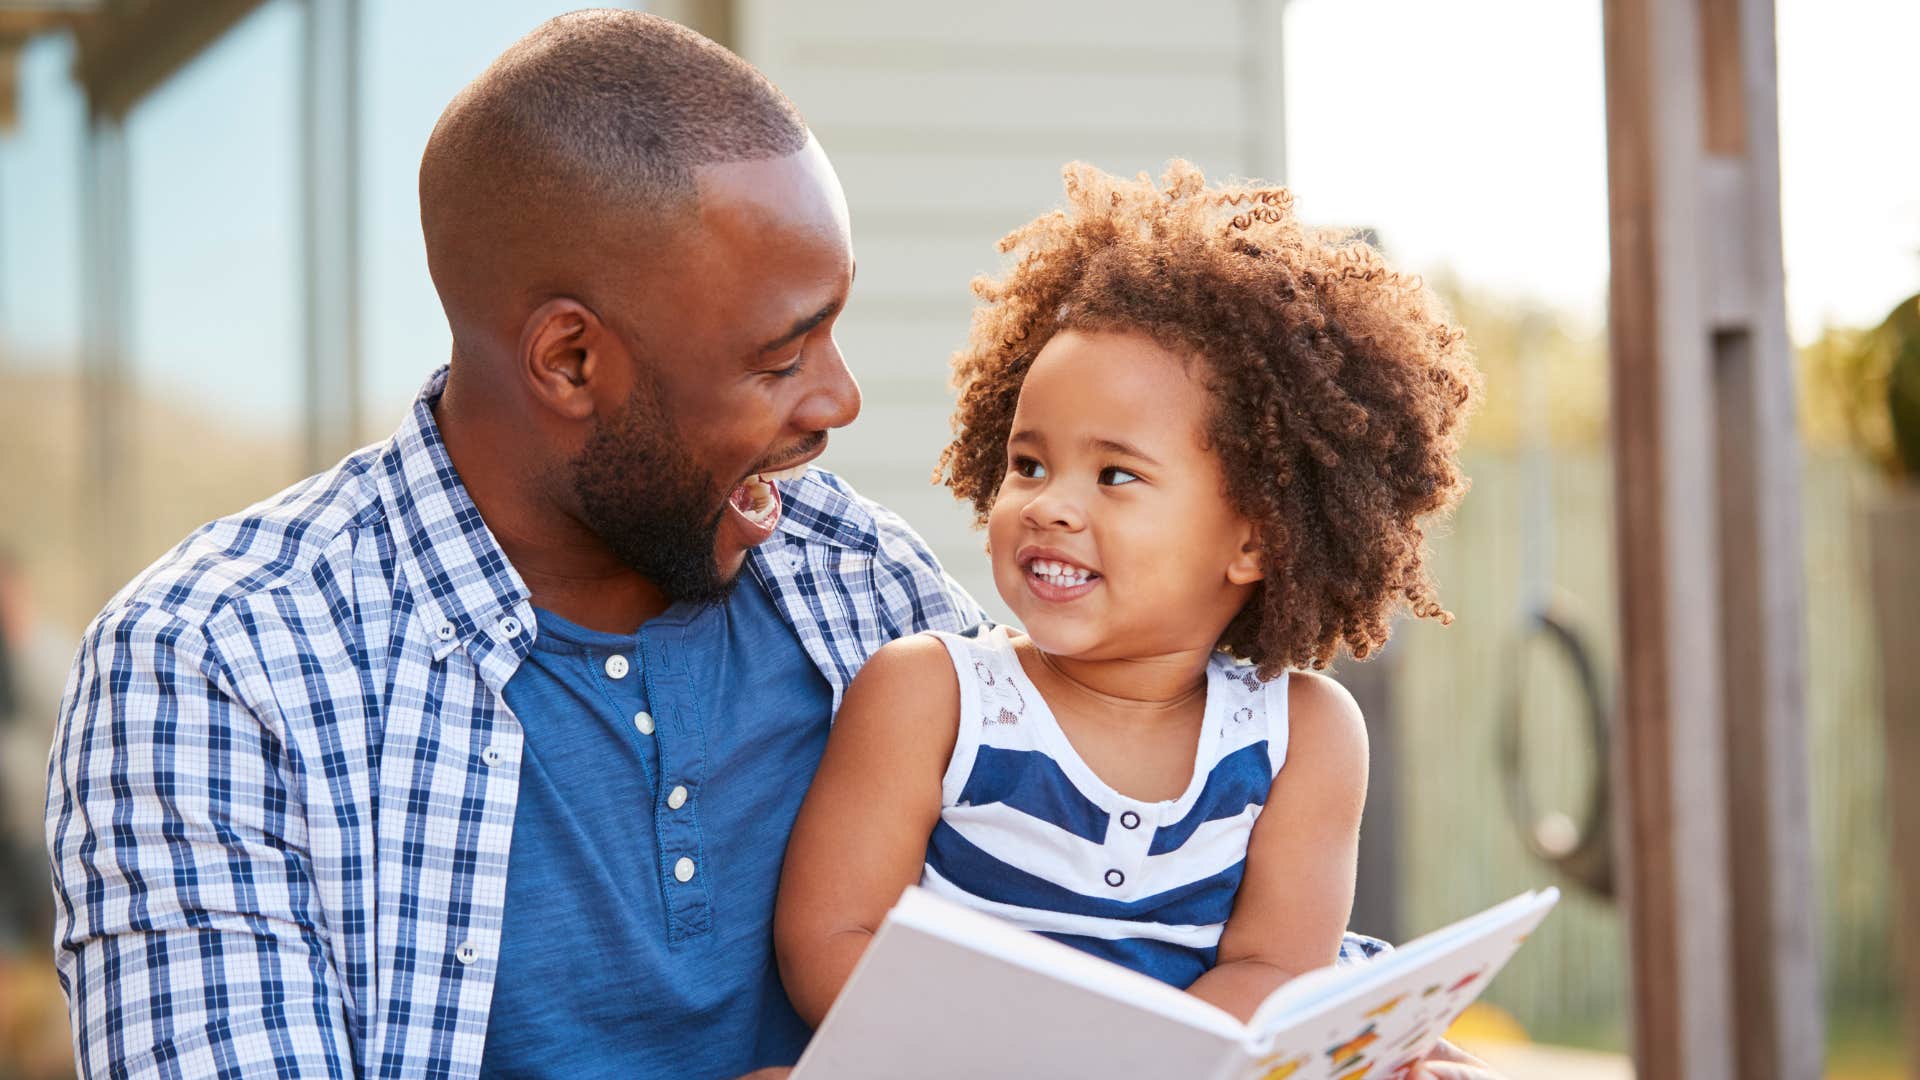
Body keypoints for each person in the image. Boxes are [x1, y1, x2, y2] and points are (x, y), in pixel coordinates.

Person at [44, 11, 1505, 1079]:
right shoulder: (219, 668)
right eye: (782, 352)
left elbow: (1119, 906)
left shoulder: (846, 581)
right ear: (571, 361)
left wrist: (1369, 1034)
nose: (843, 402)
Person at [776, 163, 1478, 1031]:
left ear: (1256, 538)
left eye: (1115, 475)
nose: (1050, 504)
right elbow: (833, 938)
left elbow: (1275, 968)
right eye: (1028, 464)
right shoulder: (933, 696)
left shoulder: (1303, 739)